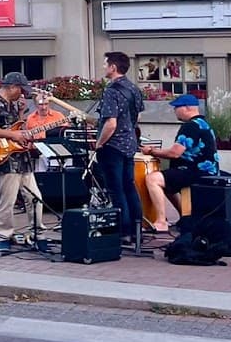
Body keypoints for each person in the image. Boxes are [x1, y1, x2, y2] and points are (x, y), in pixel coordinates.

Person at [0, 72, 46, 253]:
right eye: (21, 90)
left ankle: (37, 232)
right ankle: (3, 234)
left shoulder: (13, 105)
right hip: (5, 159)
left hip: (21, 158)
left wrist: (22, 113)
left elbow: (16, 129)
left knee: (35, 197)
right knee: (7, 199)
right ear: (12, 87)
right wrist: (12, 135)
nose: (23, 94)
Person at [142, 95, 221, 233]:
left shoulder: (190, 126)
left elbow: (175, 153)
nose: (175, 110)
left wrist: (152, 152)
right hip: (205, 171)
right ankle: (185, 217)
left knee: (153, 179)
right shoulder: (203, 124)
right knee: (168, 183)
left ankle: (161, 222)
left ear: (187, 108)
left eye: (177, 107)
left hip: (196, 172)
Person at [94, 52, 147, 242]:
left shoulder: (111, 91)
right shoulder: (133, 88)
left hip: (113, 145)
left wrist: (99, 143)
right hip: (130, 143)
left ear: (113, 67)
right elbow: (138, 117)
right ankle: (137, 229)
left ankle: (123, 232)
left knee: (116, 189)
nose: (103, 67)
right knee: (129, 186)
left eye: (105, 63)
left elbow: (111, 123)